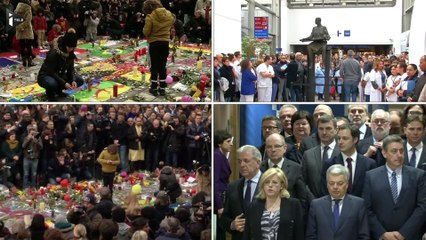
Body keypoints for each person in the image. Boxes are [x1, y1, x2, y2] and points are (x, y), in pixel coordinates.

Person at [363, 134, 426, 240]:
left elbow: (422, 207)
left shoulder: (418, 175)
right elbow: (366, 208)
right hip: (381, 236)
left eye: (401, 151)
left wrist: (404, 233)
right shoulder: (371, 176)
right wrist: (382, 233)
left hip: (410, 235)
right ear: (384, 153)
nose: (399, 155)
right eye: (394, 151)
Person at [306, 164, 369, 240]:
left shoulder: (358, 204)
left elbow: (364, 236)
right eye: (331, 183)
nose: (335, 187)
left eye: (340, 183)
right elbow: (311, 236)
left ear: (347, 184)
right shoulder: (316, 205)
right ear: (327, 184)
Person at [243, 167, 304, 240]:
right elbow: (247, 235)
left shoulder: (294, 205)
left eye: (274, 182)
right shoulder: (253, 206)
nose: (270, 185)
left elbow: (299, 234)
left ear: (281, 185)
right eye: (267, 182)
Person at [320, 124, 376, 197]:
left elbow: (371, 192)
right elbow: (325, 192)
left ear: (355, 140)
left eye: (345, 138)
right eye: (339, 138)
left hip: (362, 207)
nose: (340, 142)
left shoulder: (369, 164)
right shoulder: (329, 164)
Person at [220, 145, 262, 240]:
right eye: (240, 162)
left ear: (258, 163)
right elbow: (224, 219)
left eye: (246, 161)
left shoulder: (269, 184)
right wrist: (232, 225)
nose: (242, 165)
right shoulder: (233, 187)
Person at [261, 133, 309, 212]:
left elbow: (303, 199)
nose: (273, 150)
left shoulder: (296, 168)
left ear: (285, 148)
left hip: (289, 216)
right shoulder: (259, 168)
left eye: (277, 146)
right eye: (269, 147)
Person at [37, 28, 84, 101]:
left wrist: (73, 80)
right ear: (65, 44)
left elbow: (71, 69)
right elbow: (51, 71)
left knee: (80, 80)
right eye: (69, 47)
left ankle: (58, 91)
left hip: (60, 74)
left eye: (73, 48)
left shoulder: (70, 53)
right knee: (52, 83)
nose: (70, 49)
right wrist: (64, 83)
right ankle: (50, 94)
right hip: (46, 75)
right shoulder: (54, 53)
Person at [302, 114, 340, 199]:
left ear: (336, 130)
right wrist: (312, 199)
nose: (324, 132)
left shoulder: (343, 152)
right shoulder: (308, 155)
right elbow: (303, 182)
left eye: (328, 128)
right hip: (313, 202)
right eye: (321, 129)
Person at [143, 0, 174, 96]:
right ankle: (162, 88)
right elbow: (171, 24)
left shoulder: (150, 16)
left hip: (154, 43)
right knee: (162, 65)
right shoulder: (169, 14)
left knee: (154, 66)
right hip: (165, 43)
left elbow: (146, 32)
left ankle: (154, 87)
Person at [213, 130, 233, 240]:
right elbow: (216, 182)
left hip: (222, 196)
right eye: (228, 141)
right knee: (219, 232)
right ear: (220, 143)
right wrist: (220, 206)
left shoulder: (221, 155)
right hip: (219, 198)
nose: (231, 144)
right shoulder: (217, 156)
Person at [15, 1, 35, 68]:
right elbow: (28, 20)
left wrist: (19, 27)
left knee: (22, 46)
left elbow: (13, 19)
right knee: (29, 46)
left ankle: (24, 62)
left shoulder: (17, 8)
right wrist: (23, 27)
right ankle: (29, 62)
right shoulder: (28, 8)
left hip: (19, 30)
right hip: (27, 30)